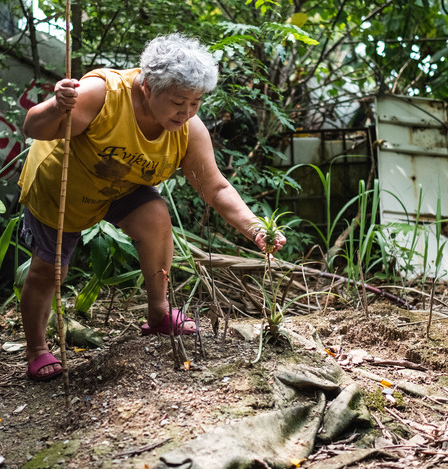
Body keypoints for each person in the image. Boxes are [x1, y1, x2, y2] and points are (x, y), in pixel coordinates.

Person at [17, 33, 286, 381]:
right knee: (50, 271)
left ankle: (158, 313)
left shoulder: (189, 129)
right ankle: (37, 348)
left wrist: (255, 228)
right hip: (62, 187)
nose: (187, 112)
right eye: (178, 102)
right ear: (147, 87)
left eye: (196, 103)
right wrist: (57, 106)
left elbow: (215, 187)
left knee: (156, 216)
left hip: (120, 187)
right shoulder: (102, 95)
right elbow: (34, 127)